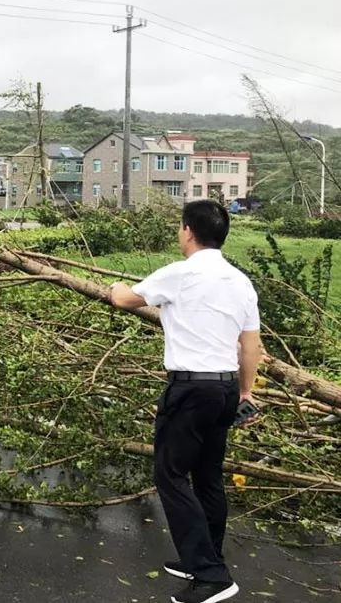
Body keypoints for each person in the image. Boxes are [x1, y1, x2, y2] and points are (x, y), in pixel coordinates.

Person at [109, 200, 262, 603]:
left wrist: (113, 286)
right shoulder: (240, 281)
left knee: (171, 475)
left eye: (180, 228)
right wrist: (246, 393)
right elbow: (251, 346)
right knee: (208, 475)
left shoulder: (180, 274)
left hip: (191, 390)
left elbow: (125, 299)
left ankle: (212, 576)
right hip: (226, 388)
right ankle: (203, 556)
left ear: (188, 231)